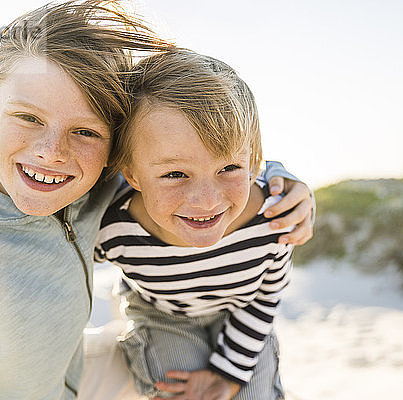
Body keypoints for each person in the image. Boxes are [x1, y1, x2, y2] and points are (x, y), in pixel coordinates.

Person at [0, 2, 313, 399]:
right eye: (27, 117)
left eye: (87, 132)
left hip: (72, 378)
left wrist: (279, 176)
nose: (50, 152)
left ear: (116, 152)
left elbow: (206, 156)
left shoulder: (92, 188)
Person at [94, 49, 308, 400]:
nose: (206, 201)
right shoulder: (115, 228)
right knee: (181, 391)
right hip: (162, 314)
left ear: (254, 162)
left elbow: (265, 296)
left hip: (242, 313)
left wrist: (230, 372)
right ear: (131, 174)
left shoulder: (272, 219)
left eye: (229, 169)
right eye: (175, 174)